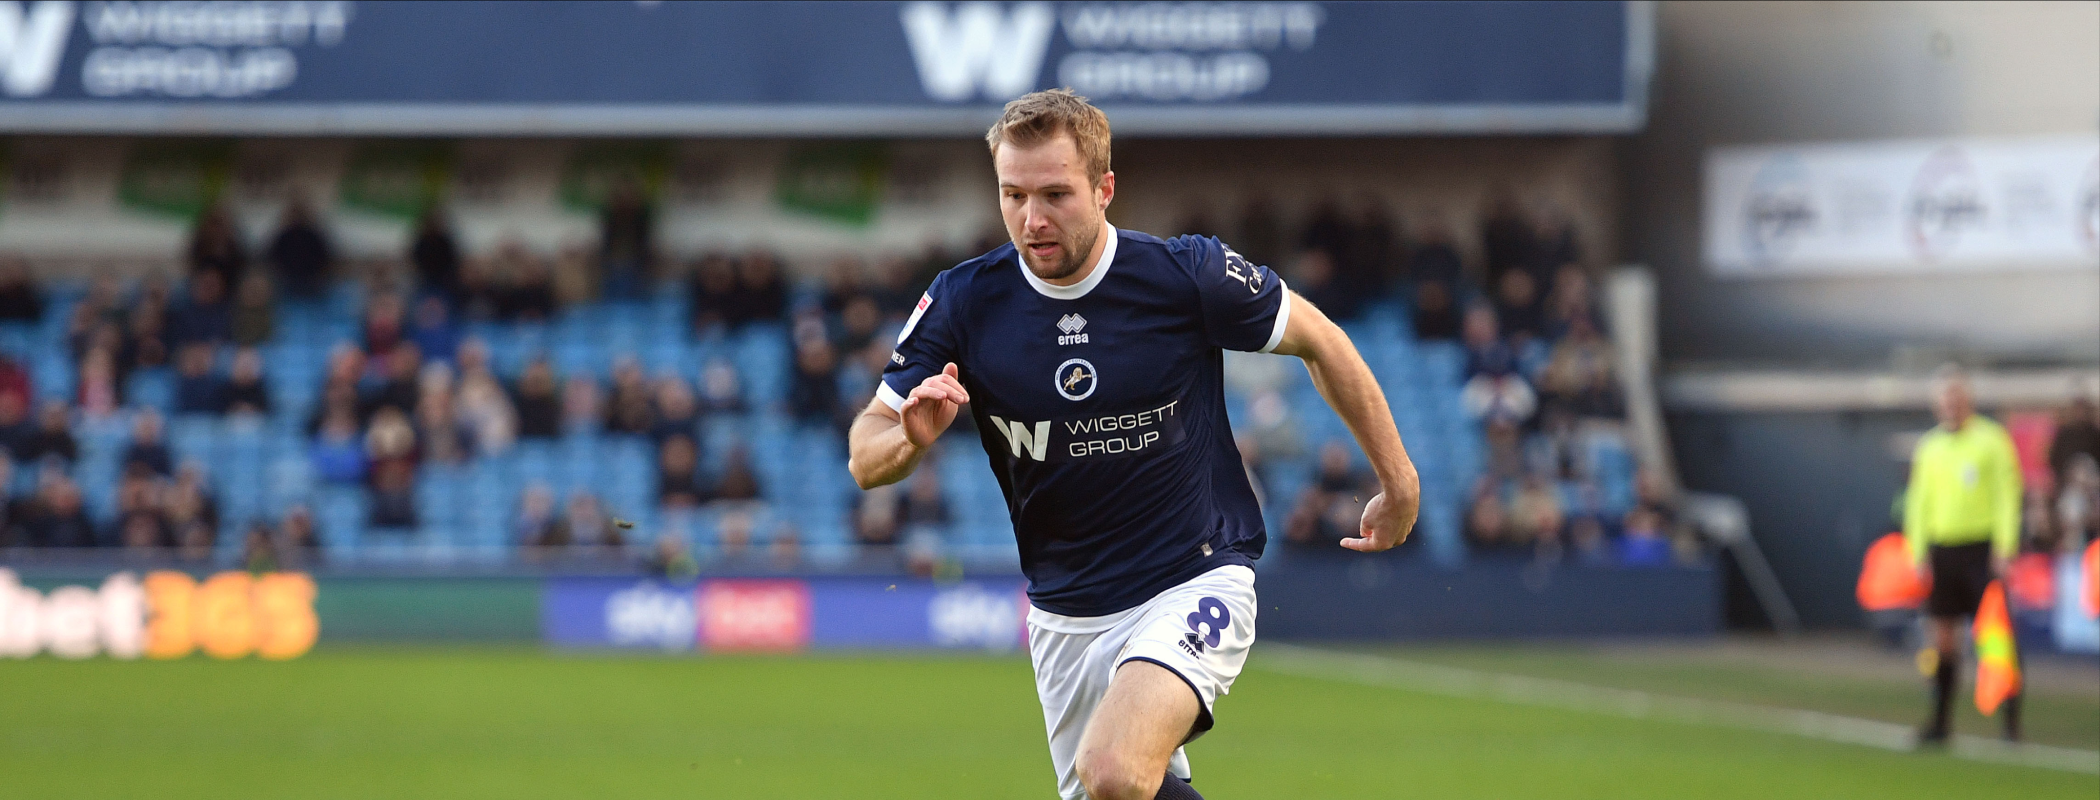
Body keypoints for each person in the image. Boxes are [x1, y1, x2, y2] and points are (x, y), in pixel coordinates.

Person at [846, 90, 1419, 800]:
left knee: (1114, 768)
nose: (1032, 218)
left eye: (1056, 193)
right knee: (1119, 789)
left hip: (1194, 576)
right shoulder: (964, 302)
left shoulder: (1187, 277)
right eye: (1013, 194)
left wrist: (1399, 481)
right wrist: (907, 440)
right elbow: (864, 454)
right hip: (1066, 614)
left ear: (1105, 188)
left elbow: (1322, 341)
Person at [1904, 365, 2023, 745]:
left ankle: (2010, 721)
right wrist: (1918, 550)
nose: (1952, 405)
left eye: (1957, 397)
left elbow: (2008, 496)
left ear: (1968, 400)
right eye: (1945, 399)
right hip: (1942, 551)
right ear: (1937, 405)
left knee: (1994, 637)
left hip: (1982, 550)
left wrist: (2005, 546)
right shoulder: (1929, 447)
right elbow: (1918, 501)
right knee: (1942, 639)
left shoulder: (1992, 440)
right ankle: (1940, 722)